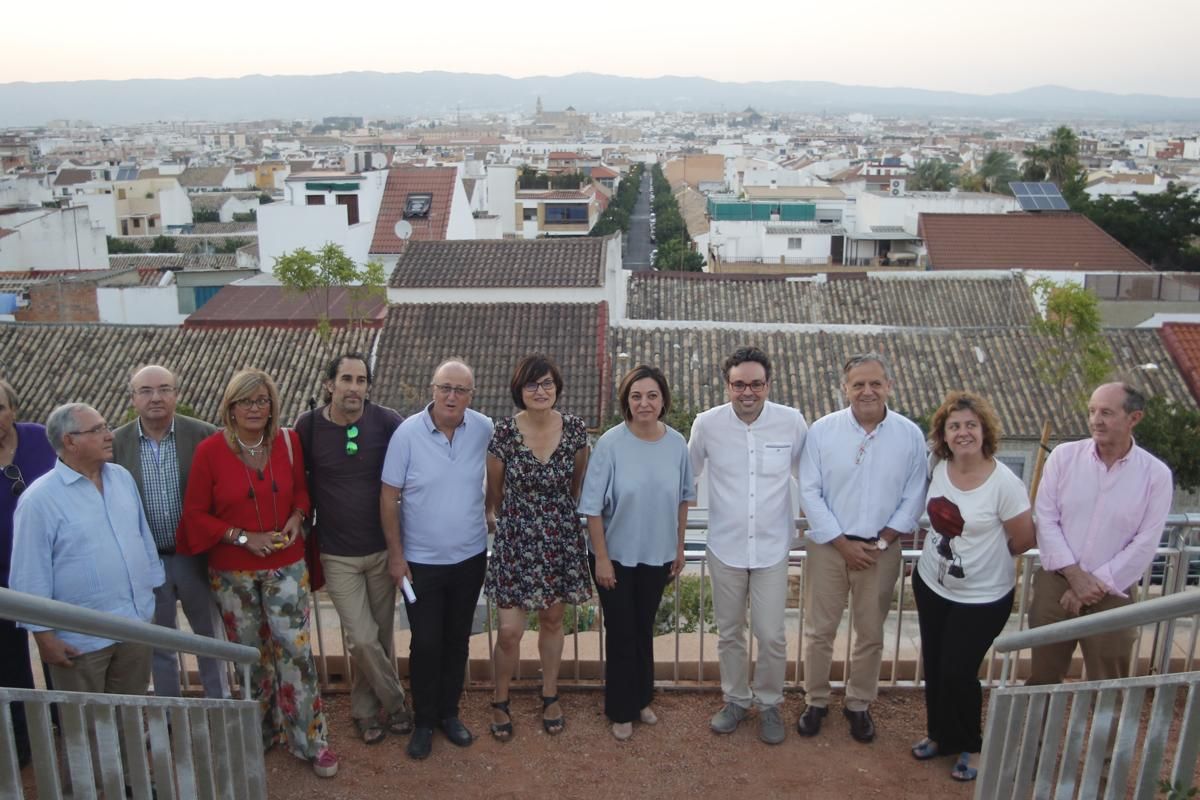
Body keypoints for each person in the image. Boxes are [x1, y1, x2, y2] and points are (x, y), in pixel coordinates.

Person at [180, 368, 337, 778]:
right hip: (232, 572)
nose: (255, 408)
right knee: (251, 657)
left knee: (295, 652)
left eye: (262, 400)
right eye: (245, 401)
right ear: (229, 408)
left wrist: (298, 516)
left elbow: (302, 490)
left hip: (287, 565)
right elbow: (196, 514)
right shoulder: (210, 451)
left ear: (273, 406)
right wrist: (241, 536)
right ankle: (262, 733)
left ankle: (312, 739)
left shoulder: (288, 442)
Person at [797, 352, 927, 743]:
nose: (867, 391)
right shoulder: (821, 431)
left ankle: (858, 704)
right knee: (820, 631)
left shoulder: (909, 435)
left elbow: (915, 493)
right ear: (845, 388)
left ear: (889, 386)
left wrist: (883, 539)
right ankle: (815, 700)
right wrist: (841, 542)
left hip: (881, 549)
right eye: (858, 384)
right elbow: (809, 491)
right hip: (828, 548)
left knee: (870, 632)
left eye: (875, 383)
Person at [912, 391, 1036, 782]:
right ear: (943, 436)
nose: (963, 432)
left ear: (984, 431)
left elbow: (1023, 539)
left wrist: (985, 559)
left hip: (982, 597)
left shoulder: (1005, 484)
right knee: (934, 663)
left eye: (970, 425)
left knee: (958, 670)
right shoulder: (938, 466)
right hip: (932, 583)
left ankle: (971, 744)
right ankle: (939, 735)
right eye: (954, 427)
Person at [688, 347, 807, 745]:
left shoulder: (791, 423)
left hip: (773, 549)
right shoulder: (706, 425)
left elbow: (808, 479)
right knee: (729, 633)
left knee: (771, 633)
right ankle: (736, 700)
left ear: (768, 385)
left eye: (756, 383)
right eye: (739, 384)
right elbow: (687, 478)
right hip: (725, 547)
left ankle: (770, 704)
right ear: (728, 386)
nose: (747, 392)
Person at [294, 352, 411, 745]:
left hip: (382, 549)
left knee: (379, 638)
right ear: (330, 384)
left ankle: (364, 712)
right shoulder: (307, 427)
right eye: (346, 379)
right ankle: (396, 703)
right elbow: (298, 483)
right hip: (337, 552)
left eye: (361, 380)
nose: (354, 388)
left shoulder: (387, 422)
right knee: (361, 638)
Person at [381, 360, 493, 760]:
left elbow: (497, 474)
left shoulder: (484, 428)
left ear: (471, 395)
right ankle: (423, 720)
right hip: (421, 564)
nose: (451, 396)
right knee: (426, 642)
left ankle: (449, 714)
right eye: (445, 387)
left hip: (470, 557)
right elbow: (388, 496)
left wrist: (492, 509)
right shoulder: (407, 435)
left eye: (460, 390)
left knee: (457, 640)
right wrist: (396, 556)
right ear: (433, 389)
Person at [11, 403, 164, 696]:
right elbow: (29, 576)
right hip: (81, 641)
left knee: (131, 717)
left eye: (106, 427)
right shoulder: (39, 500)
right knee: (89, 727)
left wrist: (150, 600)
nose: (109, 435)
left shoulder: (121, 478)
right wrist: (44, 638)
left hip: (136, 625)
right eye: (97, 430)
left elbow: (142, 538)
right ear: (70, 441)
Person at [1027, 382, 1172, 684]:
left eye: (1106, 412)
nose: (1095, 420)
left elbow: (1146, 542)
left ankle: (1104, 734)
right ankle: (1036, 733)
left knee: (1109, 685)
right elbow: (1046, 518)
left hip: (1113, 593)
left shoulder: (1155, 475)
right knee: (1041, 681)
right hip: (1056, 586)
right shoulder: (1064, 458)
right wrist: (1076, 577)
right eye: (1092, 411)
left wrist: (1095, 585)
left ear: (1134, 418)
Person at [579, 364, 695, 741]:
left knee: (644, 629)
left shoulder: (677, 443)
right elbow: (592, 507)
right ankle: (620, 708)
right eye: (636, 396)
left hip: (658, 556)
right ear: (626, 401)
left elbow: (682, 499)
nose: (644, 403)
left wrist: (678, 548)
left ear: (663, 400)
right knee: (621, 631)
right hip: (616, 559)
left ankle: (643, 697)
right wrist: (600, 557)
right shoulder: (611, 443)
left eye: (652, 395)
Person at [484, 354, 590, 740]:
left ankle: (550, 695)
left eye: (546, 384)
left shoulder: (576, 430)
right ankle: (500, 700)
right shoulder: (504, 433)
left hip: (559, 539)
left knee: (552, 621)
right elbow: (493, 494)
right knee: (510, 631)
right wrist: (515, 519)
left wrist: (552, 518)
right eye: (532, 385)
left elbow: (576, 486)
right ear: (519, 391)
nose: (540, 391)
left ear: (557, 388)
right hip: (516, 542)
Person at [113, 365, 228, 700]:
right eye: (146, 391)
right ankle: (167, 711)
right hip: (148, 562)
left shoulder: (206, 436)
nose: (156, 398)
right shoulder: (116, 444)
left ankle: (219, 707)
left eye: (164, 389)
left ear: (177, 394)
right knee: (160, 644)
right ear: (133, 399)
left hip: (195, 557)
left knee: (209, 638)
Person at [0, 381, 64, 766]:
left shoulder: (40, 440)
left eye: (0, 407)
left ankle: (65, 722)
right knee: (9, 667)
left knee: (60, 655)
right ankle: (22, 743)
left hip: (53, 575)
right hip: (2, 584)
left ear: (13, 409)